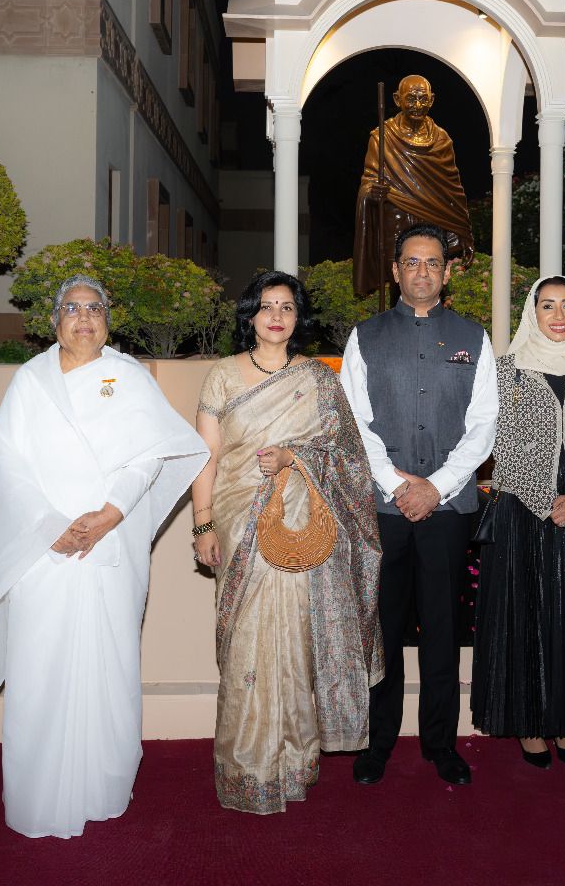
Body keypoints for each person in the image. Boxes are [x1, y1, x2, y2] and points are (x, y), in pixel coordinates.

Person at [0, 275, 208, 838]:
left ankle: (103, 788)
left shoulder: (128, 377)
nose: (83, 317)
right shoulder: (30, 382)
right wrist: (52, 526)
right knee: (41, 664)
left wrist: (111, 514)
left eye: (94, 308)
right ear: (54, 320)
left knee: (110, 664)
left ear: (108, 319)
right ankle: (37, 797)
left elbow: (150, 456)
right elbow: (9, 467)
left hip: (112, 542)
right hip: (42, 548)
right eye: (72, 308)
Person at [191, 271, 383, 813]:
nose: (277, 316)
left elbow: (349, 457)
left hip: (300, 526)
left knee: (297, 640)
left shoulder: (319, 379)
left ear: (298, 319)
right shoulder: (223, 376)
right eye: (267, 306)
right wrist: (203, 524)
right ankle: (246, 767)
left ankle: (294, 764)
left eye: (288, 307)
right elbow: (205, 455)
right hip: (236, 518)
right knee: (247, 641)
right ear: (250, 314)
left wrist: (295, 457)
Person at [339, 222, 498, 786]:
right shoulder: (364, 337)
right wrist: (397, 483)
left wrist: (438, 486)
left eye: (433, 263)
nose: (422, 271)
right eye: (412, 262)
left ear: (448, 271)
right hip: (382, 509)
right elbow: (354, 422)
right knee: (381, 629)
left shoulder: (475, 338)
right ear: (395, 270)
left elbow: (483, 428)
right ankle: (377, 742)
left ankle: (440, 744)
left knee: (443, 627)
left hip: (449, 511)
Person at [471, 276, 565, 768]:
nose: (558, 316)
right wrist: (543, 498)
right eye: (547, 306)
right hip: (522, 509)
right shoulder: (505, 370)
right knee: (528, 617)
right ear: (530, 314)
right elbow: (498, 443)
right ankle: (531, 724)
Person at [353, 75, 475, 298]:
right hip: (395, 220)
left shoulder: (441, 139)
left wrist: (463, 232)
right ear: (397, 99)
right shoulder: (382, 137)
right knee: (398, 284)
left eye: (422, 99)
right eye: (410, 99)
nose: (417, 105)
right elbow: (369, 181)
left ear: (431, 100)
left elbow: (453, 190)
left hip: (433, 222)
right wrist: (373, 192)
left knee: (433, 279)